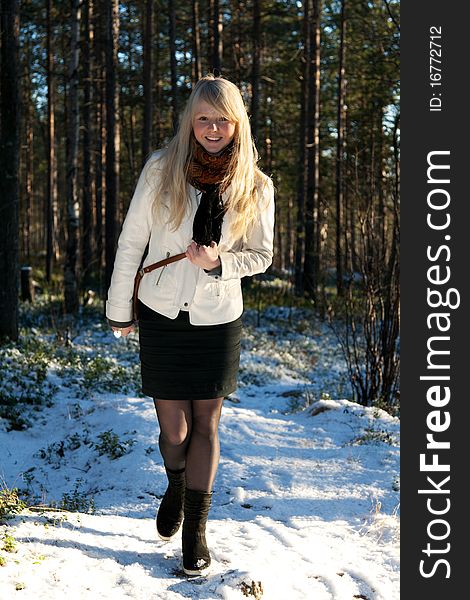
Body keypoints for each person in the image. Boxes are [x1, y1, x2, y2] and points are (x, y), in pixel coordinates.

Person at [106, 74, 275, 576]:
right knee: (173, 430)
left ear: (237, 122)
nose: (213, 128)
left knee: (207, 424)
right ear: (190, 122)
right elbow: (132, 241)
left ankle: (196, 531)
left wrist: (220, 262)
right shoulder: (161, 170)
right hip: (161, 313)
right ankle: (176, 483)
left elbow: (261, 256)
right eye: (203, 118)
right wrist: (120, 308)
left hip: (218, 317)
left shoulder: (255, 184)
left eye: (223, 119)